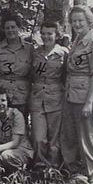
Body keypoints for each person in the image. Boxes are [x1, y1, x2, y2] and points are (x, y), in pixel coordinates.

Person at [60, 5, 93, 184]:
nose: (77, 24)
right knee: (70, 135)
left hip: (86, 97)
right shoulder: (77, 41)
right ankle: (74, 172)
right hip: (71, 95)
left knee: (89, 136)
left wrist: (88, 103)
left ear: (89, 22)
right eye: (74, 21)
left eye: (81, 21)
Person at [30, 21, 68, 169]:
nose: (46, 36)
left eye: (49, 33)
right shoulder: (35, 52)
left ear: (56, 35)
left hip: (56, 97)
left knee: (54, 138)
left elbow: (67, 75)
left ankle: (53, 167)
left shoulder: (63, 53)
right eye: (43, 33)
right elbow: (30, 75)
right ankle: (40, 166)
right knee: (39, 137)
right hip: (37, 98)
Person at [0, 14, 34, 125]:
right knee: (0, 125)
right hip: (1, 94)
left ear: (19, 28)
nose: (10, 30)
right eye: (7, 28)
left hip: (21, 94)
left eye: (13, 27)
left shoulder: (29, 49)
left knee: (21, 126)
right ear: (3, 29)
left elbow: (33, 75)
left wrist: (31, 97)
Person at [0, 88, 33, 170]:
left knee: (6, 155)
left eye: (3, 100)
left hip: (20, 150)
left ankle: (19, 174)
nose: (0, 103)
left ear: (8, 102)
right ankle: (2, 176)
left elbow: (15, 143)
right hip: (2, 151)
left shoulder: (16, 115)